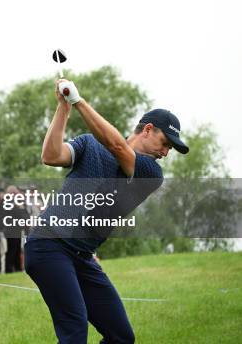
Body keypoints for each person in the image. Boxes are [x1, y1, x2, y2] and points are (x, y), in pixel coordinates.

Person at [25, 79, 189, 344]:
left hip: (82, 257)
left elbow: (117, 147)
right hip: (49, 245)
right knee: (75, 330)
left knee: (121, 337)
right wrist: (64, 108)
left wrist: (79, 101)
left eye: (170, 148)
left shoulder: (151, 174)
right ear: (148, 129)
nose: (166, 152)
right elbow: (51, 156)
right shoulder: (90, 145)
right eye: (165, 143)